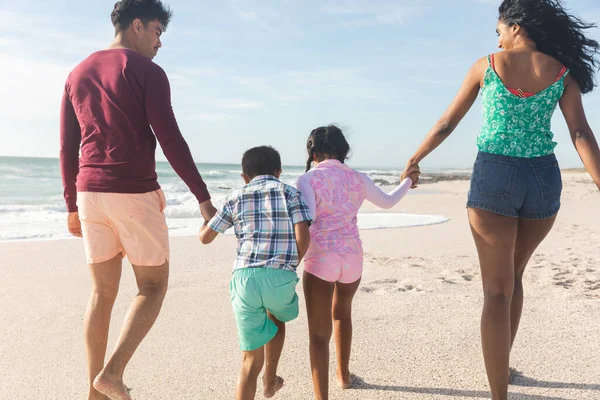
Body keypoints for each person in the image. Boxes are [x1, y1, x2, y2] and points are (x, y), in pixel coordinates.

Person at [401, 1, 600, 399]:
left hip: (494, 176)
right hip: (543, 179)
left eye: (498, 31)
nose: (497, 38)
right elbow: (580, 134)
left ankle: (498, 395)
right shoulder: (562, 73)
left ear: (514, 26)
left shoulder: (488, 65)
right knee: (514, 277)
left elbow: (446, 122)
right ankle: (502, 366)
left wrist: (415, 158)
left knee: (496, 290)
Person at [59, 1, 217, 399]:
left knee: (101, 294)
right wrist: (202, 197)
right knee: (151, 286)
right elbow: (170, 138)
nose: (160, 43)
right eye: (158, 33)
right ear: (138, 25)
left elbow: (67, 146)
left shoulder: (76, 73)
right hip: (132, 190)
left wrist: (71, 206)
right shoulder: (146, 71)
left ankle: (95, 393)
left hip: (89, 191)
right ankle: (111, 374)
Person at [296, 125, 420, 400]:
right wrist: (409, 180)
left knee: (318, 335)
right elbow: (388, 202)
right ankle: (344, 376)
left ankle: (322, 397)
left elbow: (309, 219)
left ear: (313, 152)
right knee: (343, 315)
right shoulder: (357, 178)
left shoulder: (307, 179)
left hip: (321, 259)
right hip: (353, 258)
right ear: (343, 151)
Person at [199, 146, 312, 400]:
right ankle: (270, 381)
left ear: (244, 176)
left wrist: (203, 224)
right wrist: (291, 264)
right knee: (276, 319)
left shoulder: (235, 196)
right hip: (279, 274)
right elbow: (303, 237)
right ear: (278, 172)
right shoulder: (291, 193)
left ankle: (257, 377)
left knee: (249, 359)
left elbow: (206, 238)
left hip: (244, 278)